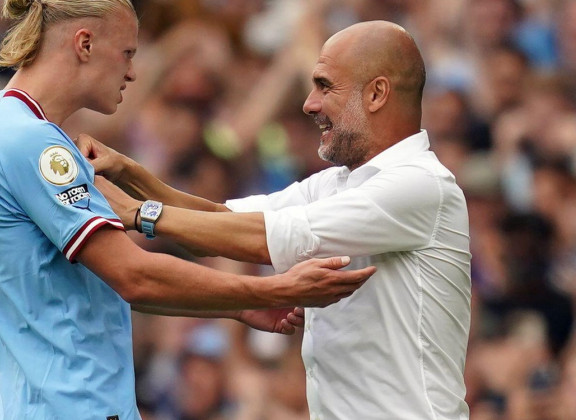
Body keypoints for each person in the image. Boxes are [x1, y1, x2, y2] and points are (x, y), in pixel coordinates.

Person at [0, 1, 377, 419]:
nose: (133, 72)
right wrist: (276, 289)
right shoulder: (32, 142)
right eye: (128, 53)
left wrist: (230, 306)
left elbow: (85, 289)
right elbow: (134, 275)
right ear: (85, 44)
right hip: (75, 406)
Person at [81, 20, 472, 419]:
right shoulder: (336, 183)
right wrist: (129, 174)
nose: (309, 103)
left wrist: (138, 213)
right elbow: (218, 221)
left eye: (324, 86)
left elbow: (264, 239)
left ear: (376, 94)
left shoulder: (420, 185)